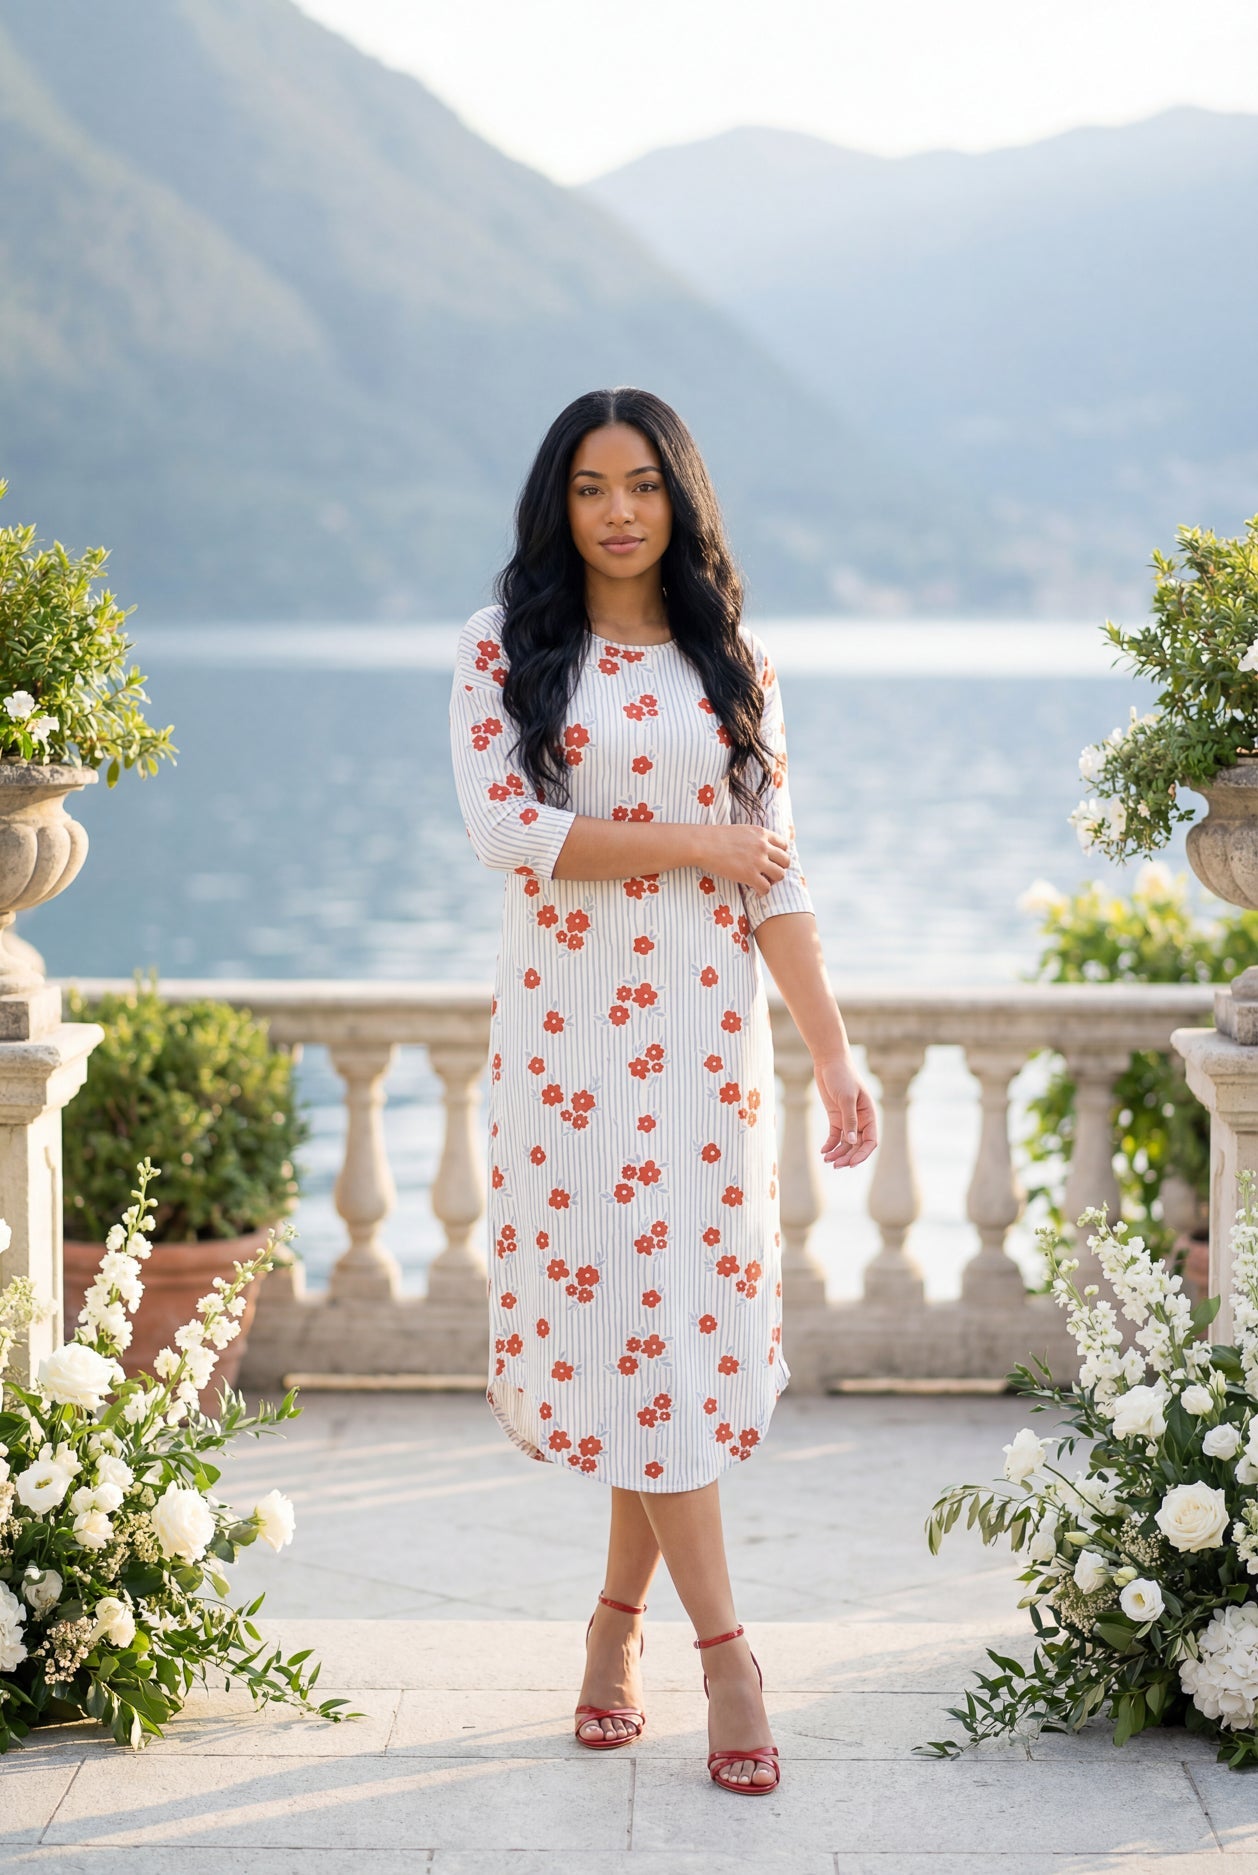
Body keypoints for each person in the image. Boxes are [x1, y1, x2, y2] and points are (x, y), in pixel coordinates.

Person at [448, 386, 877, 1795]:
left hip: (705, 1064)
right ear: (554, 504)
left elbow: (782, 870)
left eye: (641, 485)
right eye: (588, 487)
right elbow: (514, 834)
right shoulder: (506, 650)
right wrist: (701, 840)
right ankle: (726, 1654)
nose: (617, 512)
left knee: (669, 1348)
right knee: (636, 1340)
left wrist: (829, 1048)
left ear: (679, 502)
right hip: (568, 1065)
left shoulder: (733, 661)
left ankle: (620, 1631)